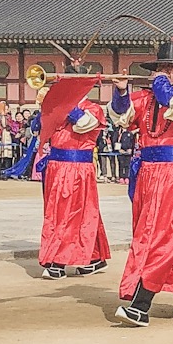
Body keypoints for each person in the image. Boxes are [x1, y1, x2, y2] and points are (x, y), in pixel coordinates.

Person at [108, 40, 173, 326]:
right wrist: (121, 91)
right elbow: (122, 117)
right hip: (148, 175)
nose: (165, 72)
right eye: (161, 68)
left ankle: (141, 303)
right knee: (168, 237)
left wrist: (161, 86)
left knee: (164, 237)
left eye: (172, 68)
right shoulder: (145, 99)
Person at [34, 75, 110, 279]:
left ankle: (57, 261)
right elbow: (38, 130)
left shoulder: (93, 109)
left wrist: (63, 104)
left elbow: (83, 124)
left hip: (77, 168)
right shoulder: (57, 108)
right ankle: (93, 258)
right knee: (75, 213)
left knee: (68, 213)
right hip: (56, 167)